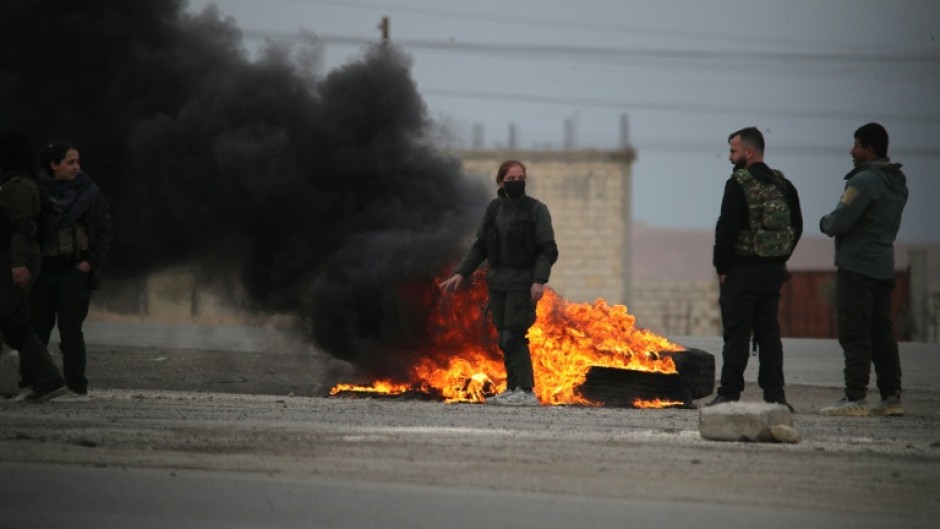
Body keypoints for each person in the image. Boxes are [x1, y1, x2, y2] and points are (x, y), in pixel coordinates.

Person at [439, 160, 558, 406]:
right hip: (497, 283)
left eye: (520, 177)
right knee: (503, 337)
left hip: (521, 282)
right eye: (511, 178)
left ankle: (526, 392)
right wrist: (461, 273)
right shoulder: (494, 209)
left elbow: (548, 249)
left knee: (515, 336)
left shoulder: (535, 210)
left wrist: (539, 281)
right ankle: (512, 388)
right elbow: (480, 246)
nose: (516, 182)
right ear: (500, 181)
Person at [708, 127, 803, 411]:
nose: (729, 157)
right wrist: (779, 257)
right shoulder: (783, 184)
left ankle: (729, 394)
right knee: (769, 334)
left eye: (733, 151)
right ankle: (775, 396)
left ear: (749, 152)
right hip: (772, 272)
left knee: (736, 335)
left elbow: (725, 230)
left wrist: (722, 267)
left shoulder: (738, 184)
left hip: (742, 272)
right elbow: (796, 227)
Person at [818, 123, 908, 417]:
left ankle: (855, 396)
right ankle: (891, 396)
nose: (851, 151)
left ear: (870, 149)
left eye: (856, 145)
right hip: (883, 266)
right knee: (882, 333)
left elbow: (841, 220)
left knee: (854, 332)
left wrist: (824, 222)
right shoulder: (897, 181)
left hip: (857, 267)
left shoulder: (865, 181)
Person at [18, 141, 112, 403]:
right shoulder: (35, 192)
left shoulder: (89, 193)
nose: (76, 167)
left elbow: (104, 230)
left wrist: (89, 263)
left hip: (74, 272)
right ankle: (34, 384)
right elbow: (22, 231)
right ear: (53, 165)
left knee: (71, 333)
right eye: (70, 162)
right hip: (42, 273)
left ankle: (76, 388)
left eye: (78, 162)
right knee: (36, 331)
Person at [0, 132, 70, 402]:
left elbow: (24, 227)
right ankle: (40, 381)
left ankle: (50, 381)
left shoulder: (17, 185)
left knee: (12, 321)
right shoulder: (18, 182)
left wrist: (17, 264)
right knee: (14, 320)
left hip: (16, 258)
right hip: (15, 257)